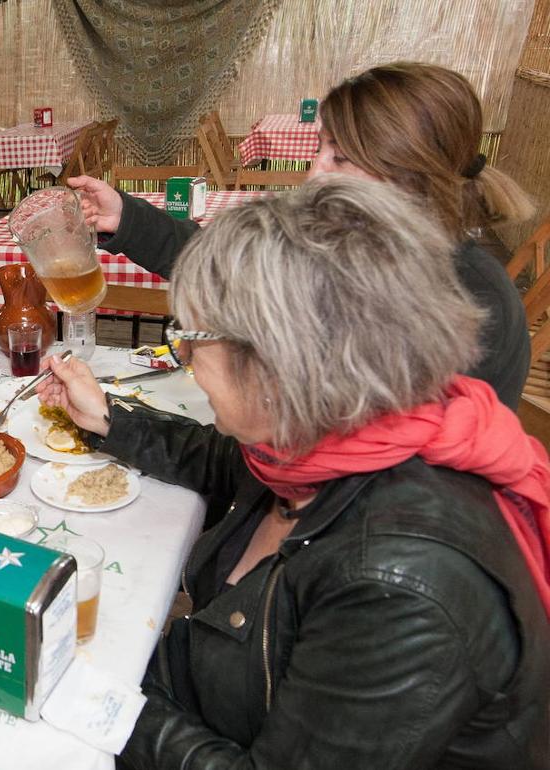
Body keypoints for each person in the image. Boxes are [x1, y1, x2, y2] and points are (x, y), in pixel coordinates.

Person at [37, 176, 550, 769]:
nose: (186, 364)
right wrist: (107, 419)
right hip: (196, 696)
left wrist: (99, 699)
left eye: (190, 340)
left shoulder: (397, 583)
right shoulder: (327, 439)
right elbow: (221, 462)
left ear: (278, 366)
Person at [69, 62, 533, 410]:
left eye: (341, 158)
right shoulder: (360, 248)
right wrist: (125, 218)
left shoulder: (468, 305)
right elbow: (230, 263)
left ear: (412, 175)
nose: (314, 175)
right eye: (320, 150)